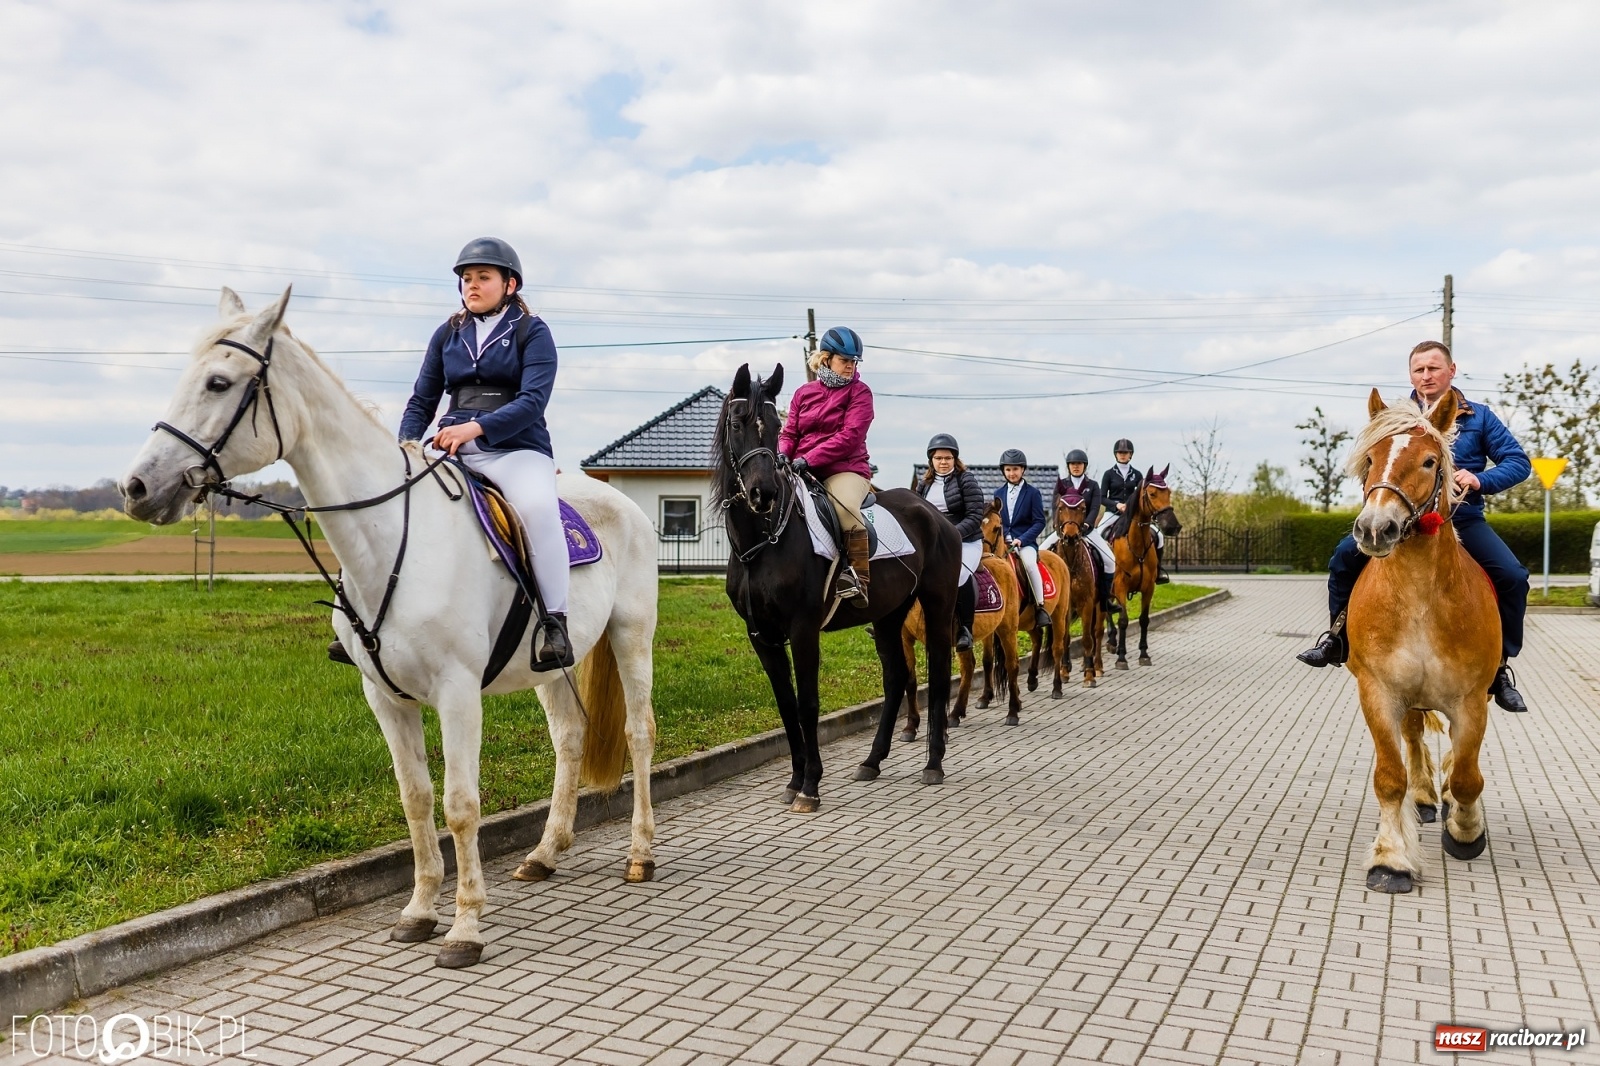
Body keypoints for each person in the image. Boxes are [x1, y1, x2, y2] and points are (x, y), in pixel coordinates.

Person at [356, 236, 574, 671]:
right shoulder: (448, 334)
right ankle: (369, 618)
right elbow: (422, 400)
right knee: (393, 506)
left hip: (517, 450)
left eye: (483, 278)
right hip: (453, 451)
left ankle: (554, 621)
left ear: (510, 284)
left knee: (536, 509)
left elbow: (533, 400)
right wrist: (407, 444)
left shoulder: (533, 332)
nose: (472, 286)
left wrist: (478, 427)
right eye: (466, 279)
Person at [1297, 340, 1532, 711]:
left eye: (1434, 368)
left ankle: (1500, 667)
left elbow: (1519, 462)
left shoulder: (1480, 417)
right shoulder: (1395, 420)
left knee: (1513, 576)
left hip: (1461, 518)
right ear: (1411, 375)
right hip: (1402, 519)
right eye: (1419, 369)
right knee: (1343, 557)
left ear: (1451, 371)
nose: (1427, 375)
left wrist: (1479, 480)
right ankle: (1336, 639)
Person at [779, 327, 874, 604]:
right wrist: (784, 453)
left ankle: (858, 579)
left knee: (845, 509)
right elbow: (790, 432)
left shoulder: (860, 393)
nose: (850, 366)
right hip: (799, 468)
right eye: (845, 360)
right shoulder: (804, 392)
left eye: (854, 361)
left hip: (845, 469)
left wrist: (808, 459)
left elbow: (850, 437)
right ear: (826, 358)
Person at [917, 434, 986, 650]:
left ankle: (966, 628)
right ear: (932, 460)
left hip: (966, 541)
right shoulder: (924, 484)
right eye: (938, 458)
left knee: (959, 573)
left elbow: (975, 516)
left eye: (948, 458)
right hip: (934, 543)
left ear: (955, 459)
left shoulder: (967, 479)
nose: (943, 462)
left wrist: (951, 535)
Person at [1100, 438, 1170, 584]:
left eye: (1126, 453)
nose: (1123, 455)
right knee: (1099, 534)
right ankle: (1101, 572)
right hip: (1112, 513)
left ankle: (1157, 571)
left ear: (1131, 454)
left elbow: (1141, 497)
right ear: (1115, 454)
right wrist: (1116, 505)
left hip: (1132, 515)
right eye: (1120, 452)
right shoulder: (1108, 474)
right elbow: (1102, 497)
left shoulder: (1137, 475)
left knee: (1159, 536)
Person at [995, 449, 1051, 628]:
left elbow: (1039, 522)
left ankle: (1040, 606)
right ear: (1004, 471)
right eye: (1008, 470)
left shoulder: (1033, 493)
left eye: (1015, 469)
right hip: (1003, 542)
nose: (1012, 473)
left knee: (1029, 564)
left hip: (1024, 542)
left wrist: (1022, 539)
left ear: (1022, 470)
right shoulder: (998, 493)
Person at [1053, 448, 1114, 607]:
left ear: (1084, 466)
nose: (1076, 466)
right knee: (1041, 554)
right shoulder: (1062, 485)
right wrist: (1057, 527)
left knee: (1109, 561)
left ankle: (1104, 599)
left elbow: (1094, 507)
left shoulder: (1092, 485)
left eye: (1079, 464)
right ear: (1068, 466)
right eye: (1073, 464)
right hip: (1063, 531)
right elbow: (1055, 507)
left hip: (1086, 531)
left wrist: (1087, 524)